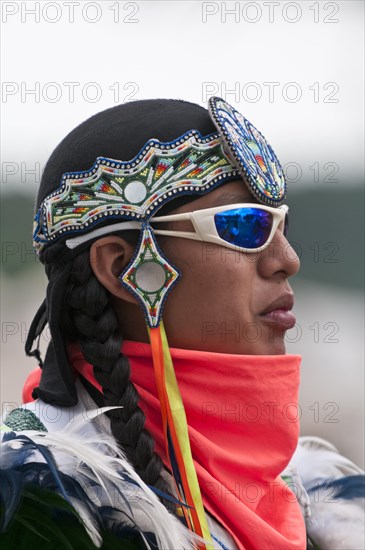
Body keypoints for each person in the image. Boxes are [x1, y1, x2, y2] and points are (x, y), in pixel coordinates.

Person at [1, 98, 364, 550]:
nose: (286, 260)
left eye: (281, 227)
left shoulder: (318, 498)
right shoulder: (36, 504)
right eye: (244, 225)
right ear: (120, 267)